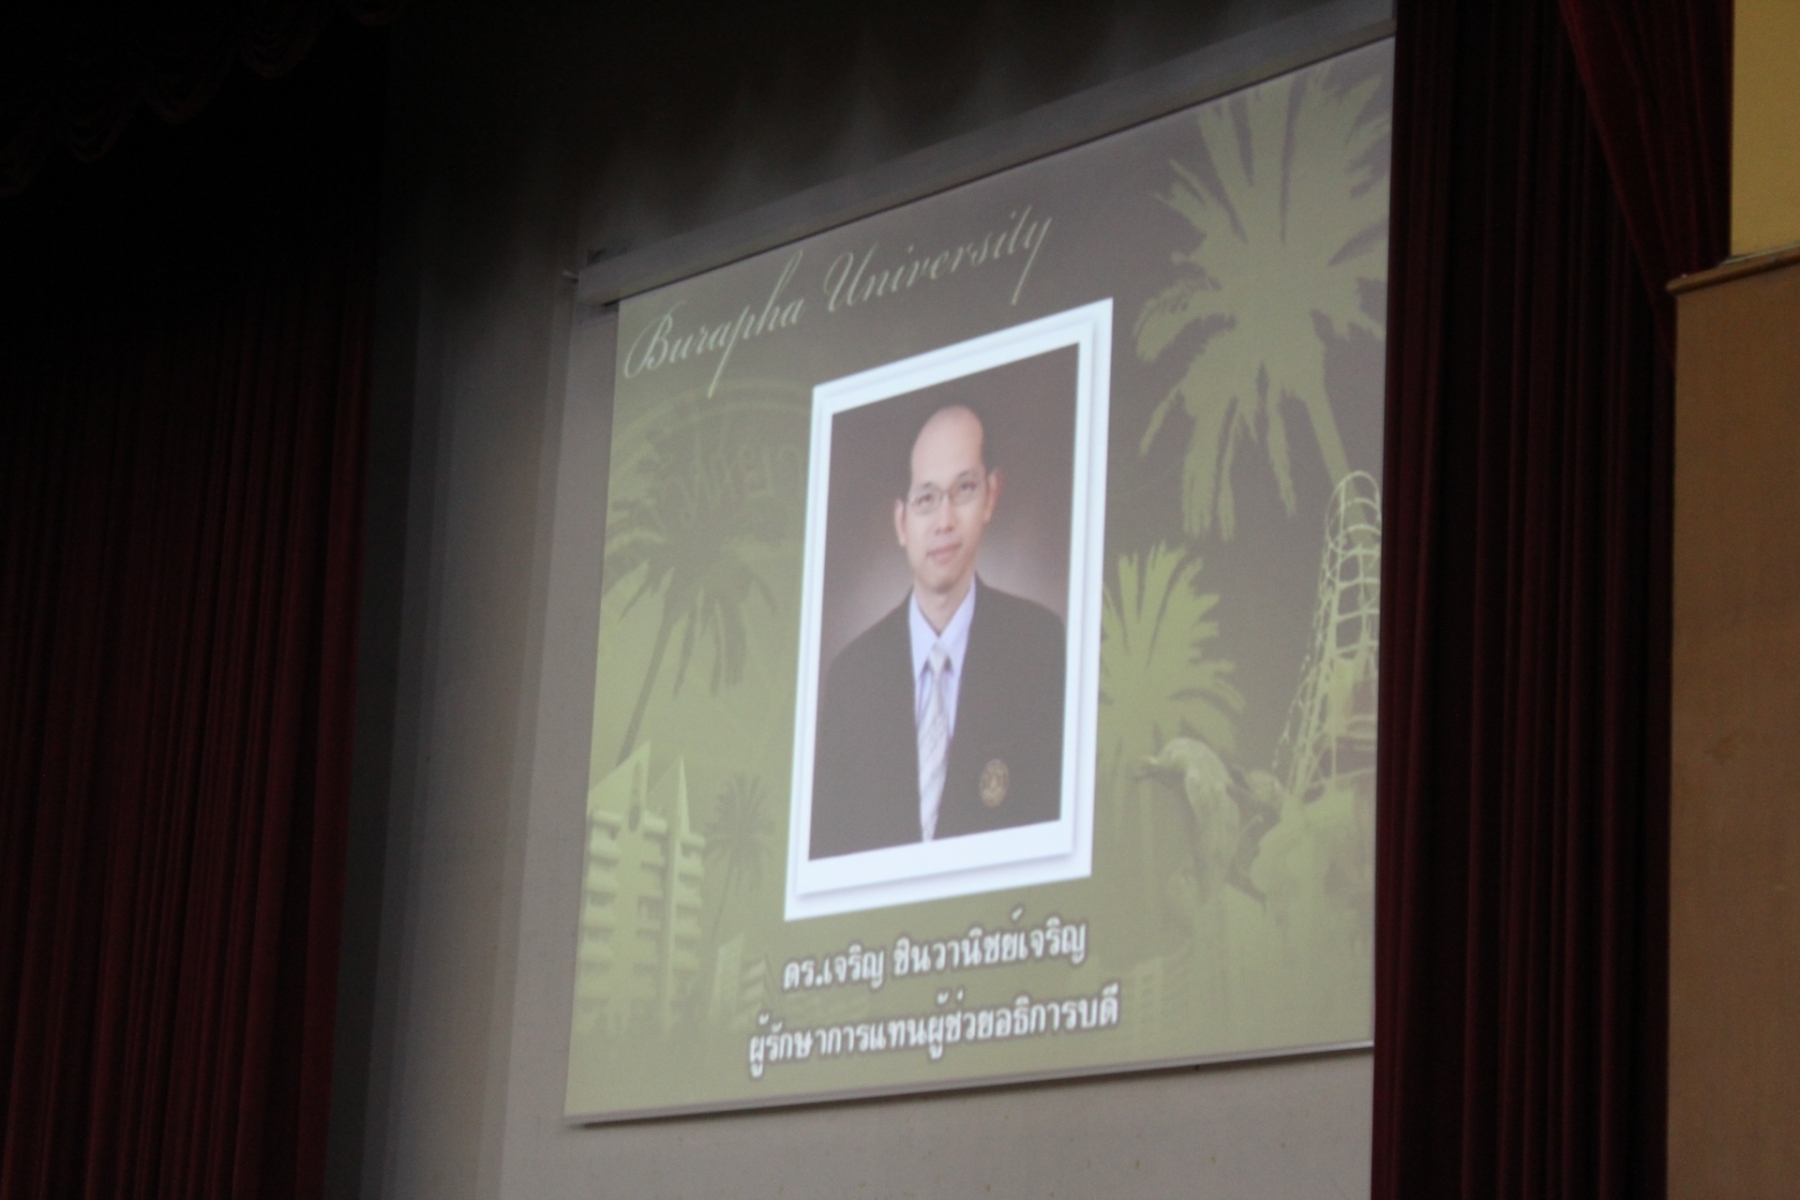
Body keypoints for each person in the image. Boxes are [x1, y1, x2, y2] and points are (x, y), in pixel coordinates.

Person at [809, 403, 1066, 859]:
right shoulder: (851, 677)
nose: (944, 521)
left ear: (990, 496)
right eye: (926, 499)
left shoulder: (1041, 649)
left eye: (963, 489)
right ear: (901, 522)